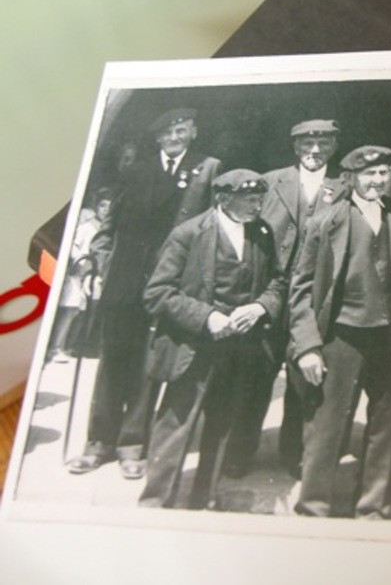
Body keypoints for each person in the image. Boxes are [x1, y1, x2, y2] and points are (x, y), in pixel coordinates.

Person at [66, 108, 221, 479]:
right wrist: (99, 265)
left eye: (182, 130)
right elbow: (108, 227)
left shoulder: (208, 168)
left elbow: (209, 229)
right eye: (168, 134)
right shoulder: (135, 170)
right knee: (113, 360)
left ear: (193, 131)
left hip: (167, 284)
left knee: (147, 365)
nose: (175, 138)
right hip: (123, 282)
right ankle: (98, 441)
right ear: (158, 139)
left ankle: (132, 443)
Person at [289, 146, 391, 519]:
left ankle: (373, 507)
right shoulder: (328, 219)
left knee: (387, 423)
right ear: (351, 177)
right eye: (369, 175)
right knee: (327, 424)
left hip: (387, 338)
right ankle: (314, 506)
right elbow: (300, 289)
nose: (377, 181)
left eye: (383, 173)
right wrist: (308, 346)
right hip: (340, 336)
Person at [138, 170, 285, 510]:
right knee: (176, 426)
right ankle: (155, 503)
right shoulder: (188, 234)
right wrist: (207, 317)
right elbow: (157, 293)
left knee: (221, 424)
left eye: (259, 199)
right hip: (193, 348)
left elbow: (278, 282)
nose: (257, 205)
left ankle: (204, 498)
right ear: (223, 198)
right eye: (249, 200)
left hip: (240, 348)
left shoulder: (261, 232)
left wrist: (261, 306)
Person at [224, 119, 348, 479]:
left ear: (333, 148)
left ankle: (294, 453)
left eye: (323, 145)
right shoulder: (270, 181)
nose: (315, 151)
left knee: (304, 379)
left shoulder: (343, 185)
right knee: (254, 376)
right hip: (270, 293)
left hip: (313, 299)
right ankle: (239, 450)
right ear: (295, 147)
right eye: (307, 144)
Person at [46, 189, 112, 364]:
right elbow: (73, 247)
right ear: (96, 206)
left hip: (89, 276)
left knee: (78, 311)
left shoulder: (106, 231)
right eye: (102, 205)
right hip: (77, 273)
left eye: (109, 207)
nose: (105, 209)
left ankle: (68, 345)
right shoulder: (86, 227)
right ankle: (54, 348)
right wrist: (80, 263)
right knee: (68, 309)